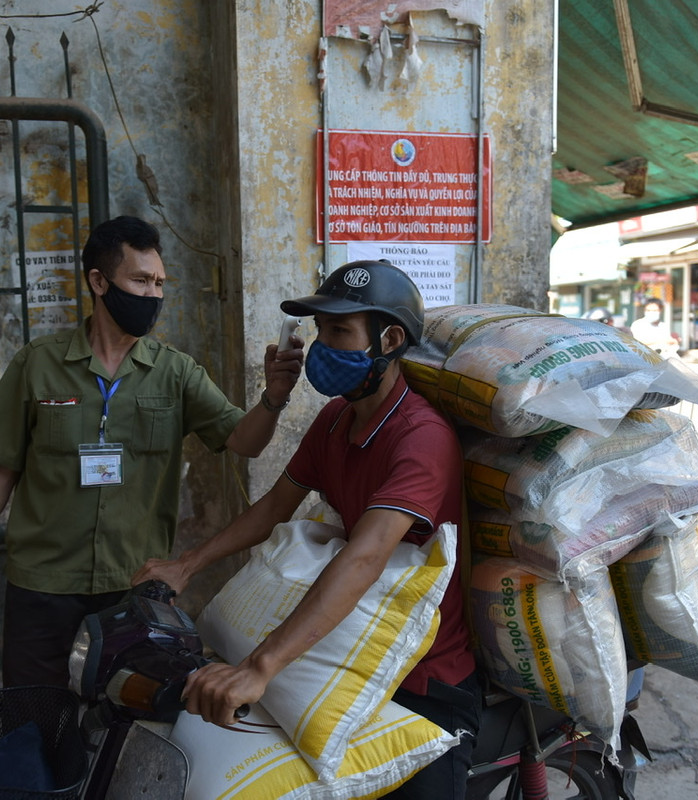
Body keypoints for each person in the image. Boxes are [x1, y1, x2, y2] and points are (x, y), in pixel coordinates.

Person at [0, 215, 303, 688]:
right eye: (140, 280)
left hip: (133, 587)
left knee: (123, 725)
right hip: (43, 585)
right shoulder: (38, 364)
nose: (153, 294)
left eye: (159, 283)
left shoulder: (175, 372)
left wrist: (274, 396)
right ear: (99, 281)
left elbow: (245, 442)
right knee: (35, 719)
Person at [134, 260, 479, 799]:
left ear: (389, 340)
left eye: (340, 331)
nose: (322, 345)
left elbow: (364, 557)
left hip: (422, 680)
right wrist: (188, 564)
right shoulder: (336, 418)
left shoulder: (421, 439)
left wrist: (259, 665)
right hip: (343, 655)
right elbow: (275, 506)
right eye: (321, 330)